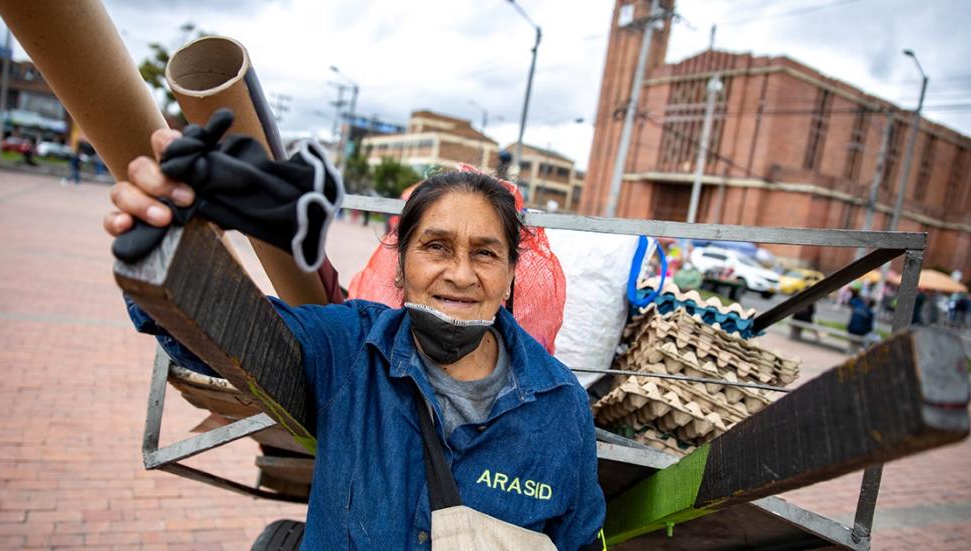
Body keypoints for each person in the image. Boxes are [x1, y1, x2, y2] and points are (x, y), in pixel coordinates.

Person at [103, 129, 607, 550]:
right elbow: (229, 335)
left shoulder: (560, 407)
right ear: (402, 266)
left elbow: (580, 540)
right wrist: (172, 247)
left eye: (485, 254)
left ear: (511, 274)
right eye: (436, 247)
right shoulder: (349, 345)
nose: (460, 274)